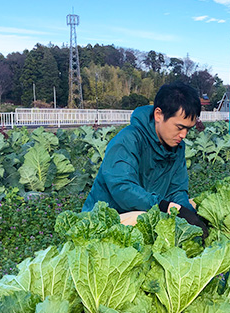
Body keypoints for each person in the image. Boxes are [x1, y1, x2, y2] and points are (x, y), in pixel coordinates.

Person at [82, 81, 208, 237]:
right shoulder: (127, 140)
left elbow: (177, 190)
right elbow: (123, 189)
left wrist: (190, 216)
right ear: (158, 115)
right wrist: (163, 206)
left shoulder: (178, 147)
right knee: (140, 217)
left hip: (148, 212)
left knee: (192, 205)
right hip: (108, 220)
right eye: (179, 127)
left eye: (188, 129)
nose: (184, 135)